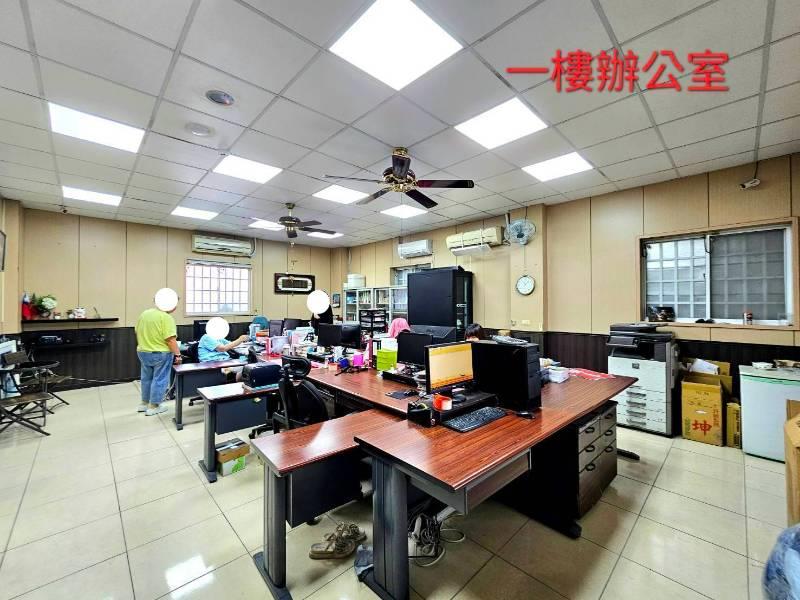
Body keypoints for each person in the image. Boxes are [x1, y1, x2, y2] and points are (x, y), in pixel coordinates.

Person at [135, 288, 181, 416]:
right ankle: (154, 406)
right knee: (160, 379)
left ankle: (144, 403)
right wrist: (178, 355)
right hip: (160, 354)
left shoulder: (144, 314)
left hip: (143, 351)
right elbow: (170, 340)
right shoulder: (166, 318)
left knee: (146, 378)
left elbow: (137, 331)